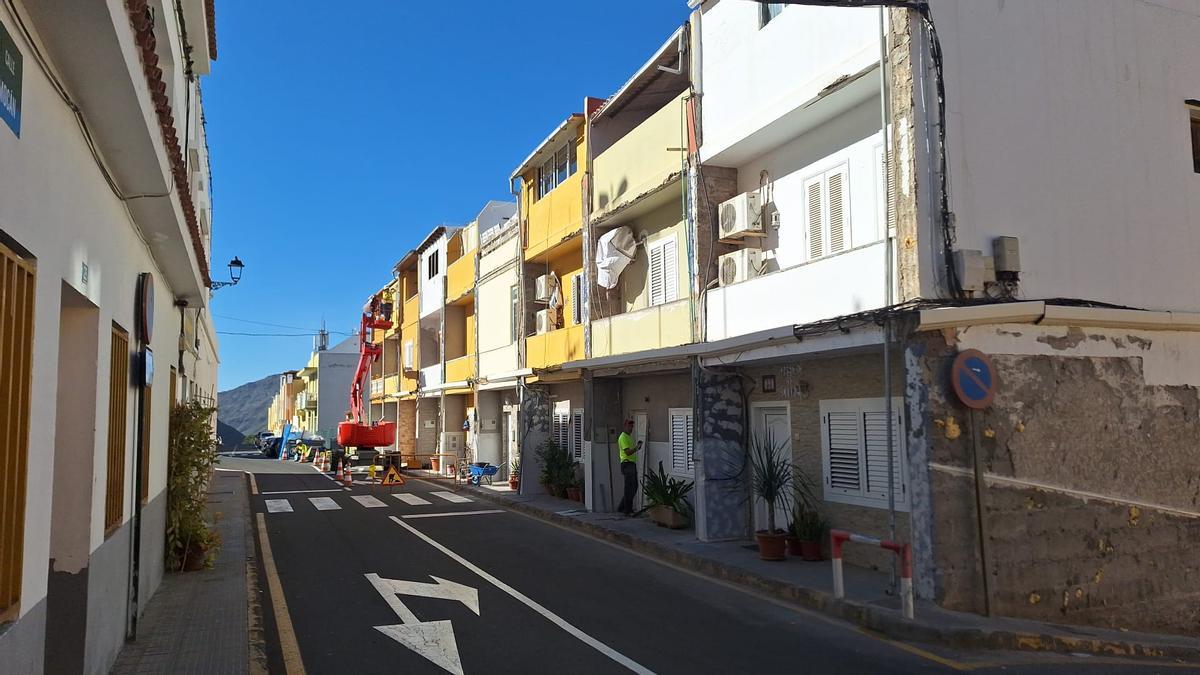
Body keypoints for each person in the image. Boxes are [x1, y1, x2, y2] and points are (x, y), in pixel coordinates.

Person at [616, 419, 642, 516]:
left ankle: (622, 507)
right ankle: (627, 510)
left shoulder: (628, 437)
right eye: (629, 426)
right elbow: (627, 452)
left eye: (632, 427)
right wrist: (636, 448)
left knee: (633, 487)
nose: (631, 428)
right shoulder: (623, 437)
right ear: (625, 426)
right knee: (630, 487)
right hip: (627, 464)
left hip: (631, 464)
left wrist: (636, 447)